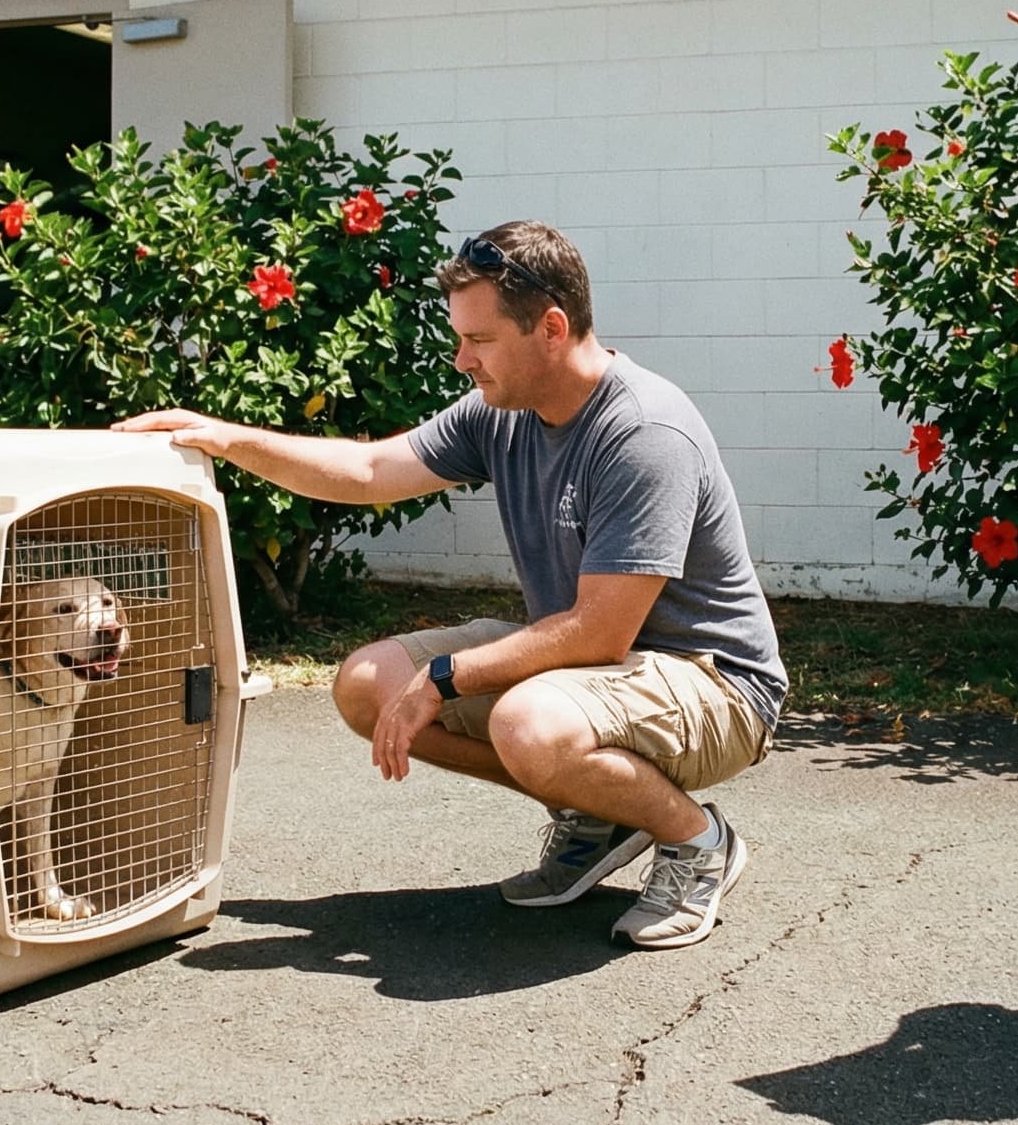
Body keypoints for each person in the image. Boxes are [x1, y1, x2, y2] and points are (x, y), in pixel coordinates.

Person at [114, 220, 787, 950]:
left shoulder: (644, 433)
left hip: (714, 683)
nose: (463, 358)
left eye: (481, 340)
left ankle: (696, 840)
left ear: (552, 328)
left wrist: (446, 676)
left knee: (527, 723)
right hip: (591, 674)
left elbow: (602, 631)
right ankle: (599, 813)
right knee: (369, 685)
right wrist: (225, 438)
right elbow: (372, 473)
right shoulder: (507, 411)